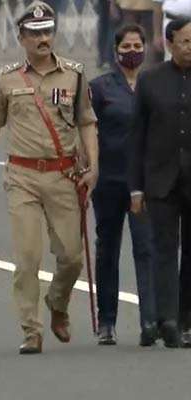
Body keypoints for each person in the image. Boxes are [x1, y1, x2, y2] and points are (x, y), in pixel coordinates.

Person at [0, 1, 98, 355]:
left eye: (47, 32)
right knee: (27, 259)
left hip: (64, 175)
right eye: (35, 33)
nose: (43, 39)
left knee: (72, 257)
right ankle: (31, 330)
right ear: (21, 37)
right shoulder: (6, 78)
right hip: (23, 176)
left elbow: (87, 122)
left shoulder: (74, 73)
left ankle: (57, 303)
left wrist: (94, 166)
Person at [89, 23, 157, 346]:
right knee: (108, 250)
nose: (132, 52)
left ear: (145, 48)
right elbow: (86, 130)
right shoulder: (100, 88)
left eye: (137, 46)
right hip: (109, 180)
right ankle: (107, 321)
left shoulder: (154, 84)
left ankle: (150, 320)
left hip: (143, 184)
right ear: (115, 52)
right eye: (126, 47)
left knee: (146, 249)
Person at [129, 18, 191, 348]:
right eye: (185, 42)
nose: (190, 48)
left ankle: (186, 320)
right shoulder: (151, 81)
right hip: (161, 182)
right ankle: (167, 319)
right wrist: (136, 187)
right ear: (169, 43)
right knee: (165, 251)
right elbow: (136, 137)